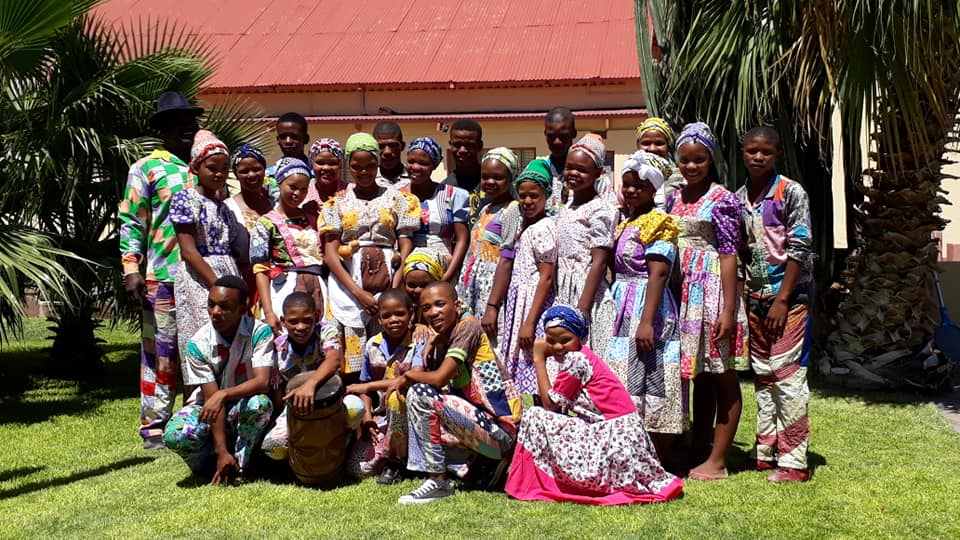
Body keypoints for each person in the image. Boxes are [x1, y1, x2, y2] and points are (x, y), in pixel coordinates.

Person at [504, 306, 683, 505]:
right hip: (620, 434)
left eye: (565, 340)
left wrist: (538, 358)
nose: (557, 347)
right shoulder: (583, 355)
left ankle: (536, 483)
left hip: (614, 436)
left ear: (580, 338)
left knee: (535, 416)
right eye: (551, 341)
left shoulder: (577, 360)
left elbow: (550, 405)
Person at [666, 122, 748, 480]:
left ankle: (718, 460)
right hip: (684, 297)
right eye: (685, 159)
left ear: (710, 159)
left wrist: (729, 310)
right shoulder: (674, 198)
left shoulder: (723, 198)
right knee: (699, 375)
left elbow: (730, 254)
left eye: (699, 159)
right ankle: (698, 448)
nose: (691, 166)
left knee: (724, 377)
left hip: (712, 291)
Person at [120, 91, 201, 448]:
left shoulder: (208, 166)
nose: (185, 129)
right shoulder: (147, 168)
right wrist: (130, 269)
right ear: (164, 130)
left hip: (202, 277)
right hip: (163, 276)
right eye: (176, 124)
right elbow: (131, 221)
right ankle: (154, 425)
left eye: (190, 122)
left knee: (197, 350)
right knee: (161, 354)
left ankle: (193, 420)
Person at [735, 127, 813, 483]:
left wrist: (783, 299)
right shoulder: (738, 199)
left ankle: (795, 460)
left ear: (777, 154)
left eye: (765, 151)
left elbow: (799, 246)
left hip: (788, 298)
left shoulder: (790, 192)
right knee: (764, 376)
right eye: (751, 151)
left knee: (788, 375)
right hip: (755, 298)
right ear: (743, 152)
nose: (757, 157)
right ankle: (765, 450)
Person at [398, 281, 518, 504]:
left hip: (503, 433)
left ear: (456, 304)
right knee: (418, 400)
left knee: (420, 393)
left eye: (440, 304)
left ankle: (439, 482)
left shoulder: (467, 327)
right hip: (485, 428)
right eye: (426, 308)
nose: (433, 312)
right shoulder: (447, 333)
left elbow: (438, 379)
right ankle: (475, 467)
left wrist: (407, 377)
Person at [320, 132, 420, 384]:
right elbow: (331, 254)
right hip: (348, 285)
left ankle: (384, 403)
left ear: (377, 164)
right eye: (356, 166)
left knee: (385, 349)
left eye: (370, 166)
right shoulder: (337, 203)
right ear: (348, 166)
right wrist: (358, 293)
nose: (363, 172)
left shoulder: (398, 199)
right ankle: (355, 404)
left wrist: (395, 286)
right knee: (352, 350)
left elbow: (405, 242)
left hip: (387, 280)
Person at [606, 151, 684, 463]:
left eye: (638, 186)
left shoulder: (658, 223)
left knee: (653, 377)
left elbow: (660, 272)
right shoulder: (626, 221)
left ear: (654, 189)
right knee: (626, 375)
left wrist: (647, 320)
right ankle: (630, 451)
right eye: (626, 186)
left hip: (647, 304)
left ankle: (659, 456)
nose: (631, 191)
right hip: (623, 303)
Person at [162, 276, 274, 484]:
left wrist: (224, 393)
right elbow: (212, 400)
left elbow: (262, 382)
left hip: (244, 404)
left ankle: (241, 465)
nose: (215, 312)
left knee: (260, 404)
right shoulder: (197, 344)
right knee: (175, 433)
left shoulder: (259, 333)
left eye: (224, 306)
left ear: (243, 307)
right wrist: (221, 450)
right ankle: (208, 465)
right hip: (210, 407)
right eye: (211, 305)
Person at [260, 292, 362, 465]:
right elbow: (277, 388)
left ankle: (345, 443)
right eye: (293, 321)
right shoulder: (277, 346)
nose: (301, 327)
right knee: (272, 446)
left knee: (355, 408)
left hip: (330, 402)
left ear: (316, 317)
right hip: (296, 408)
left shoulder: (326, 331)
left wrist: (311, 384)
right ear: (283, 321)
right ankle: (299, 462)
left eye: (307, 320)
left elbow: (334, 359)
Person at [171, 130, 244, 364]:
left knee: (231, 341)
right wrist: (218, 286)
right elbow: (189, 250)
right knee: (203, 340)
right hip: (201, 278)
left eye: (225, 168)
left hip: (228, 273)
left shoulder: (224, 207)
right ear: (196, 168)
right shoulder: (186, 200)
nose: (220, 173)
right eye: (213, 167)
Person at [344, 289, 425, 483]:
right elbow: (364, 385)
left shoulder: (418, 341)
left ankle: (396, 462)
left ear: (411, 314)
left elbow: (415, 377)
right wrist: (367, 419)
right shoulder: (373, 344)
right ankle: (393, 454)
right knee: (358, 469)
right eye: (386, 316)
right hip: (383, 418)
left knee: (396, 398)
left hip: (411, 417)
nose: (393, 320)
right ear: (379, 320)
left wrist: (370, 386)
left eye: (400, 313)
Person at [555, 134, 618, 362]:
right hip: (563, 288)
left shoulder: (601, 210)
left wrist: (583, 308)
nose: (573, 173)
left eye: (582, 170)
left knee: (583, 357)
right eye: (569, 167)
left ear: (598, 174)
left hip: (585, 291)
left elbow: (599, 261)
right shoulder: (568, 206)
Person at [499, 160, 557, 394]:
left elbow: (546, 277)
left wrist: (530, 322)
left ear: (547, 196)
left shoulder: (544, 228)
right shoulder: (526, 226)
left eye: (534, 195)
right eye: (522, 196)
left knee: (536, 365)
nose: (527, 201)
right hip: (521, 303)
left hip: (534, 306)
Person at [250, 158, 325, 335]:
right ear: (280, 183)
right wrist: (268, 312)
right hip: (283, 290)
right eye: (292, 187)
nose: (298, 193)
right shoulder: (265, 223)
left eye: (303, 189)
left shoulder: (314, 218)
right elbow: (261, 269)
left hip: (318, 289)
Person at [459, 147, 522, 345]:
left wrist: (492, 306)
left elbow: (506, 260)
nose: (490, 182)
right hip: (472, 287)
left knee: (491, 345)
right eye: (485, 176)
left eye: (498, 177)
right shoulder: (486, 208)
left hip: (492, 290)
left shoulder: (512, 211)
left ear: (511, 178)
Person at [398, 136, 470, 279]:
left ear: (435, 166)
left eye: (423, 163)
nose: (416, 167)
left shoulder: (453, 195)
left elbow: (462, 239)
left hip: (443, 268)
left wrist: (447, 276)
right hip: (405, 271)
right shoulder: (396, 196)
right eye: (411, 161)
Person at [226, 144, 275, 309]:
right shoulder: (228, 208)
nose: (251, 175)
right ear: (236, 175)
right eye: (244, 171)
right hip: (245, 282)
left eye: (257, 169)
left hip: (278, 281)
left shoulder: (276, 204)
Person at [441, 118, 485, 226]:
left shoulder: (494, 183)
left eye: (469, 145)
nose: (462, 150)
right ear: (450, 145)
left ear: (479, 146)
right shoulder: (444, 189)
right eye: (457, 144)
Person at [635, 117, 686, 208]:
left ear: (668, 145)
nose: (652, 149)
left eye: (659, 143)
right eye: (646, 143)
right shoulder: (631, 178)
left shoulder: (681, 178)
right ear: (638, 145)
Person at [542, 107, 577, 211]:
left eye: (563, 136)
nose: (557, 141)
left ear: (573, 133)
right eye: (551, 136)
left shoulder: (588, 172)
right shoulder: (540, 172)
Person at [402, 247, 447, 321]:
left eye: (424, 285)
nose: (417, 290)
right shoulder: (404, 311)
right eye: (412, 285)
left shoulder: (447, 309)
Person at [265, 112, 311, 181]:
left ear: (306, 139)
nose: (288, 141)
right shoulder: (269, 176)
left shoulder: (317, 175)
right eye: (283, 137)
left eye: (294, 136)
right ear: (278, 140)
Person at [304, 137, 348, 206]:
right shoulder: (304, 197)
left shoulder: (351, 192)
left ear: (340, 165)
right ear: (312, 164)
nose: (326, 168)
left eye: (332, 163)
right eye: (320, 163)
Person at [373, 121, 408, 186]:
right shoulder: (369, 180)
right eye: (381, 146)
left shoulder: (415, 178)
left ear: (402, 146)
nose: (387, 152)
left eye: (393, 145)